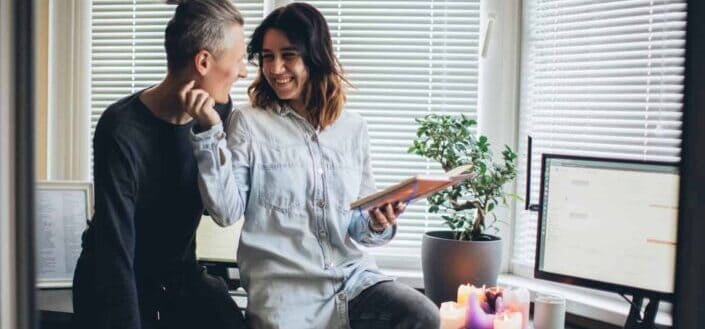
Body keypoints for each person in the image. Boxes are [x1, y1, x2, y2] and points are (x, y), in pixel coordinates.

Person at [186, 3, 440, 329]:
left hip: (352, 280)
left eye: (288, 55)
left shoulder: (353, 128)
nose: (275, 68)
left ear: (315, 56)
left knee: (423, 315)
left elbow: (357, 226)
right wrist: (209, 132)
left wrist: (378, 223)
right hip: (286, 295)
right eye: (266, 56)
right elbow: (225, 211)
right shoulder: (249, 123)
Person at [72, 1, 249, 328]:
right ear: (203, 61)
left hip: (179, 280)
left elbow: (219, 207)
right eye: (238, 60)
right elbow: (115, 250)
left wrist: (210, 131)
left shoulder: (217, 114)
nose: (243, 71)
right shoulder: (120, 128)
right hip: (115, 281)